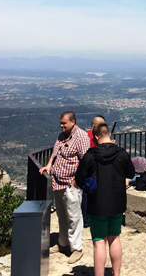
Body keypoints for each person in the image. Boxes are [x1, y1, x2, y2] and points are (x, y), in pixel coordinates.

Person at [75, 123, 135, 276]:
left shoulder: (90, 155)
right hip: (117, 202)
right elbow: (130, 173)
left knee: (99, 240)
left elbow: (79, 179)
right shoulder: (122, 153)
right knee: (114, 237)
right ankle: (116, 274)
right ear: (110, 134)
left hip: (97, 203)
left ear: (95, 137)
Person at [39, 111, 90, 264]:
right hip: (57, 183)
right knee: (62, 216)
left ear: (72, 122)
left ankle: (76, 248)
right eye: (61, 123)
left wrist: (76, 182)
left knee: (74, 217)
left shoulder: (80, 137)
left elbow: (86, 161)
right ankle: (63, 243)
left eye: (64, 123)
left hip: (71, 184)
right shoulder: (62, 136)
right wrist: (49, 165)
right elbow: (55, 153)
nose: (61, 125)